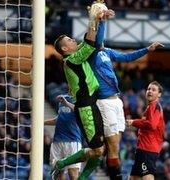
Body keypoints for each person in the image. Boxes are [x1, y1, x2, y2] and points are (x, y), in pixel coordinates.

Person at [91, 20, 164, 180]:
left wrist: (147, 49)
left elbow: (127, 57)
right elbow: (97, 40)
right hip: (105, 101)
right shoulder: (92, 53)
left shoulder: (107, 52)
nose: (101, 39)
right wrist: (101, 21)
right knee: (112, 144)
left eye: (153, 89)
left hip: (116, 100)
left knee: (114, 144)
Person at [51, 6, 115, 180]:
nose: (74, 40)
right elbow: (90, 43)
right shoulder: (72, 59)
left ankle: (77, 175)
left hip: (92, 103)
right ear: (65, 49)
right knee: (97, 150)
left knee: (101, 150)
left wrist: (100, 20)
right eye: (70, 40)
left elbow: (89, 40)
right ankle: (61, 163)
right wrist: (93, 18)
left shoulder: (74, 55)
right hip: (85, 107)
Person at [126, 81, 166, 180]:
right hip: (142, 147)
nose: (150, 91)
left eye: (153, 90)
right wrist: (133, 122)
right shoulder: (150, 107)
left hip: (148, 148)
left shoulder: (155, 106)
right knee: (133, 178)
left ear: (159, 94)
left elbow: (152, 125)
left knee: (146, 177)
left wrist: (134, 122)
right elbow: (146, 123)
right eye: (148, 89)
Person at [45, 94, 82, 180]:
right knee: (58, 174)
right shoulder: (63, 98)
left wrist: (67, 103)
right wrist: (42, 122)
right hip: (57, 141)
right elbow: (59, 119)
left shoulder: (80, 98)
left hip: (73, 141)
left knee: (73, 174)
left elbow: (80, 112)